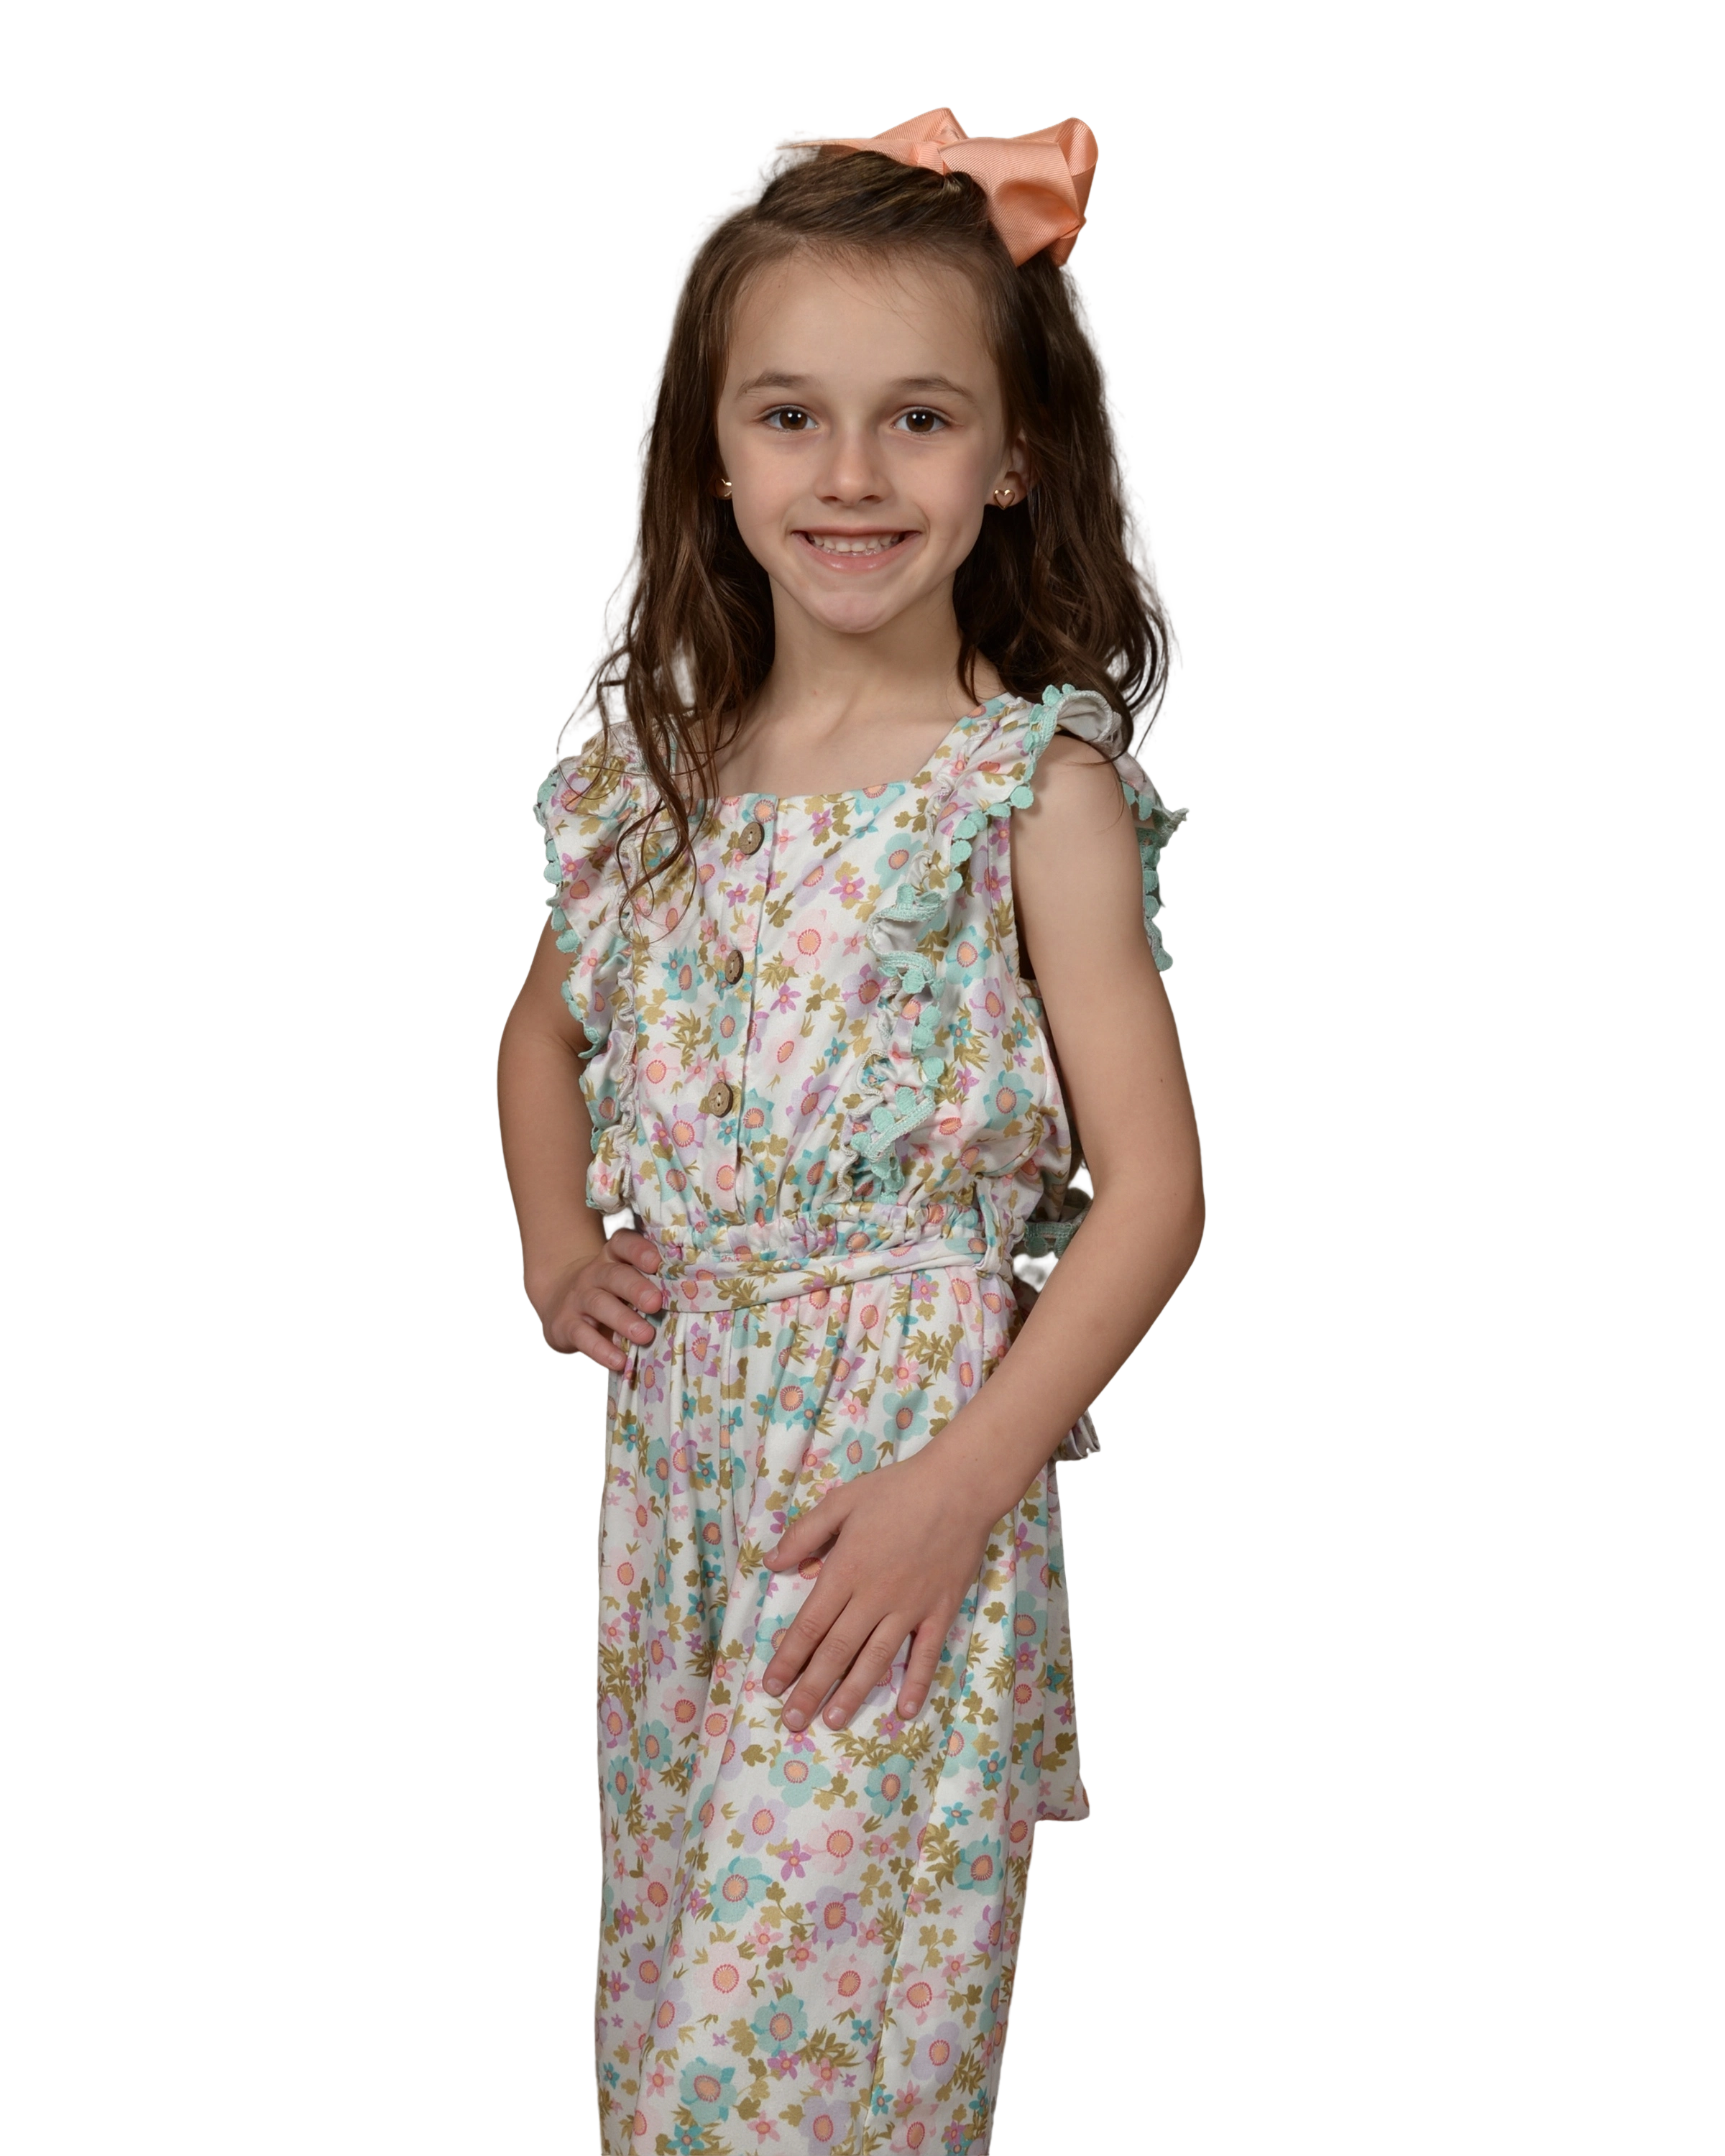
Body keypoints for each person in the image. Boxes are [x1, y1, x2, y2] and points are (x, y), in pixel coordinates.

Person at [494, 106, 1207, 2156]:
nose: (853, 475)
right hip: (677, 1486)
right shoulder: (642, 786)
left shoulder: (1025, 788)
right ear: (713, 454)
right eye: (792, 414)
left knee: (827, 2054)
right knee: (681, 2030)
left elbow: (1154, 1197)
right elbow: (539, 1033)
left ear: (1014, 458)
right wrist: (560, 1251)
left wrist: (958, 1490)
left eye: (920, 418)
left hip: (897, 1483)